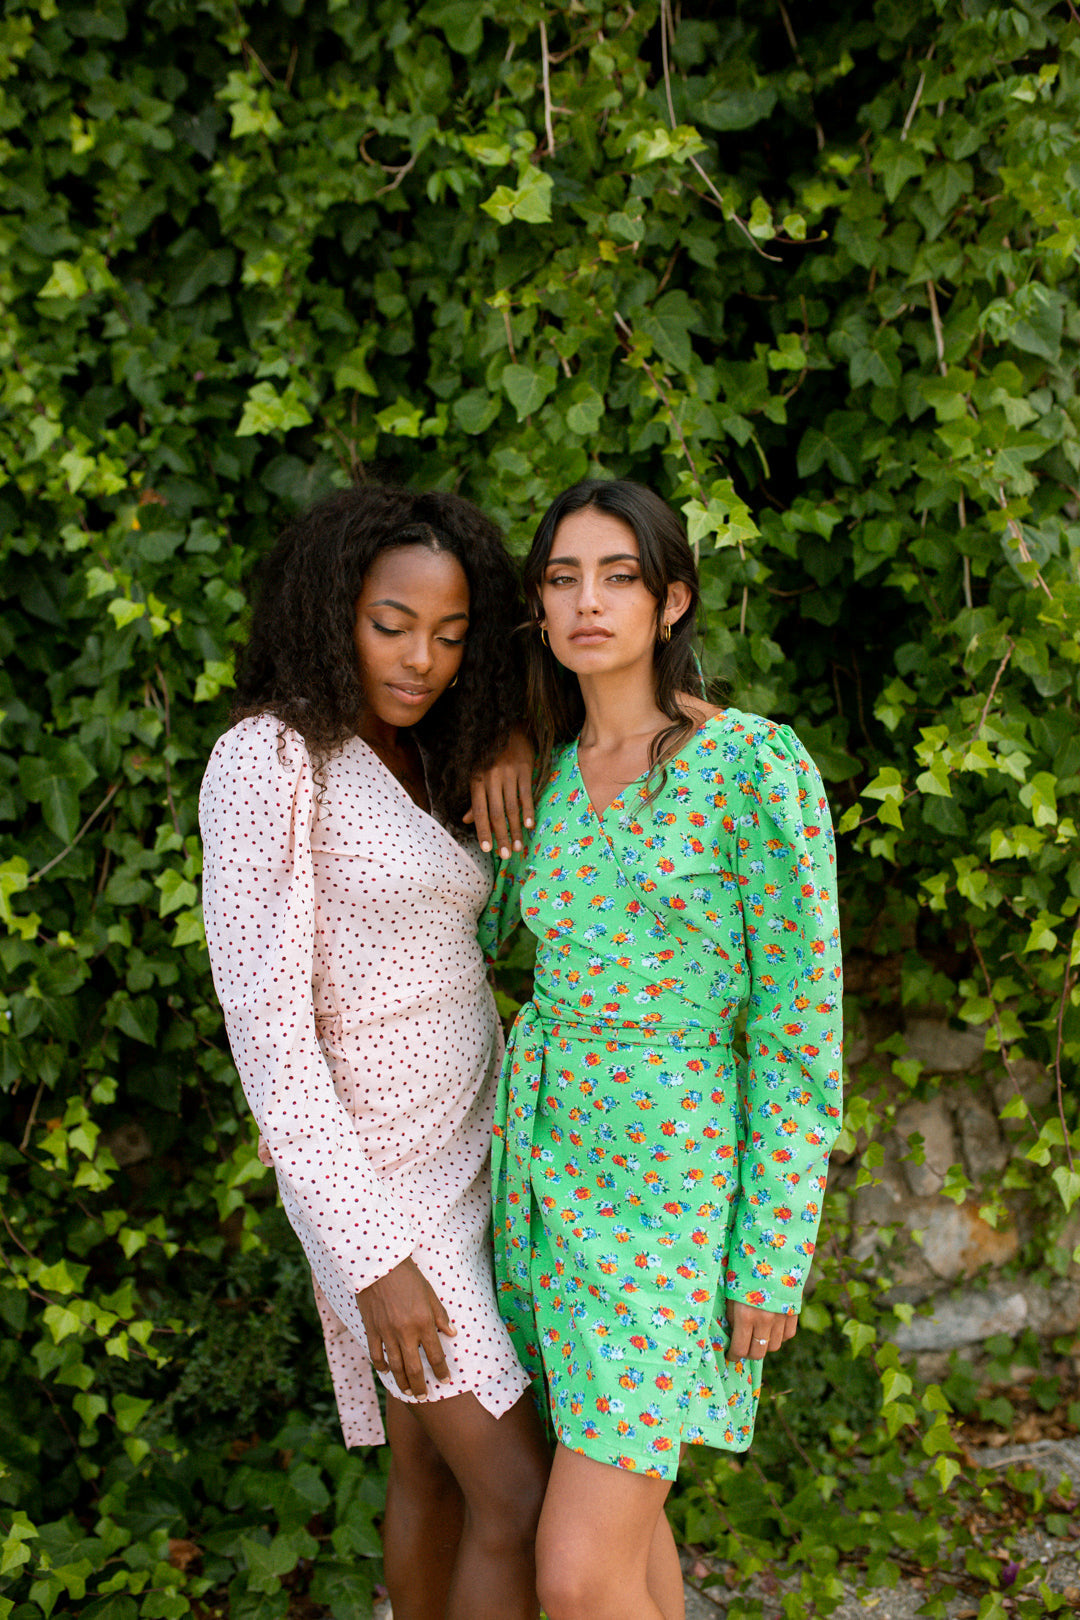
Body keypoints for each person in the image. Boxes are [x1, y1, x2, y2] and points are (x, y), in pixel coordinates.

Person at [482, 479, 843, 1620]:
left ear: (671, 599)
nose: (590, 601)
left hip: (675, 1202)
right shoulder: (534, 781)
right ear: (538, 609)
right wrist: (497, 740)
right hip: (548, 1186)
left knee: (577, 1574)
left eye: (619, 575)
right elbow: (480, 934)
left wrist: (772, 1251)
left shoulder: (749, 769)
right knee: (631, 1559)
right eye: (562, 577)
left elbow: (798, 1034)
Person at [198, 484, 549, 1620]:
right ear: (332, 610)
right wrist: (370, 1257)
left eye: (451, 636)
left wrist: (506, 729)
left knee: (429, 1472)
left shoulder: (415, 748)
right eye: (392, 624)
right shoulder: (270, 760)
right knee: (518, 1492)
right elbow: (270, 1036)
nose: (422, 659)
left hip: (474, 1151)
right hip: (378, 1183)